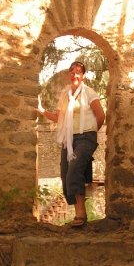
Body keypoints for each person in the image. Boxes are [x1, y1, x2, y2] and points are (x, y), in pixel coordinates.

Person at [37, 61, 105, 227]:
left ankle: (81, 216)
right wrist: (41, 110)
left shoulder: (89, 92)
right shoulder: (64, 95)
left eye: (79, 72)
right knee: (66, 172)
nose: (75, 74)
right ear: (70, 74)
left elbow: (100, 115)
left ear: (83, 76)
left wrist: (90, 133)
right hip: (69, 139)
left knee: (74, 167)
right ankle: (78, 214)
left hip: (85, 138)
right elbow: (58, 118)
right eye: (73, 71)